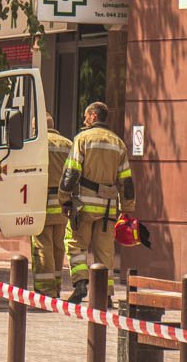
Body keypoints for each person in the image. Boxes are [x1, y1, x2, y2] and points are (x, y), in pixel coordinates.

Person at [58, 102, 135, 303]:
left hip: (83, 206)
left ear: (93, 116)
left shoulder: (82, 139)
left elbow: (71, 172)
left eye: (86, 116)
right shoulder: (118, 144)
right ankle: (106, 295)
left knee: (74, 244)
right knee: (105, 253)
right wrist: (127, 209)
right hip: (108, 209)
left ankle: (81, 283)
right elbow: (126, 181)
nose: (84, 120)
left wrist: (64, 199)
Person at [32, 113, 73, 298]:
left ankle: (45, 289)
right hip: (63, 204)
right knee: (58, 246)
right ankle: (56, 287)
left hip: (42, 203)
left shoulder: (35, 144)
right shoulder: (68, 144)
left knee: (42, 245)